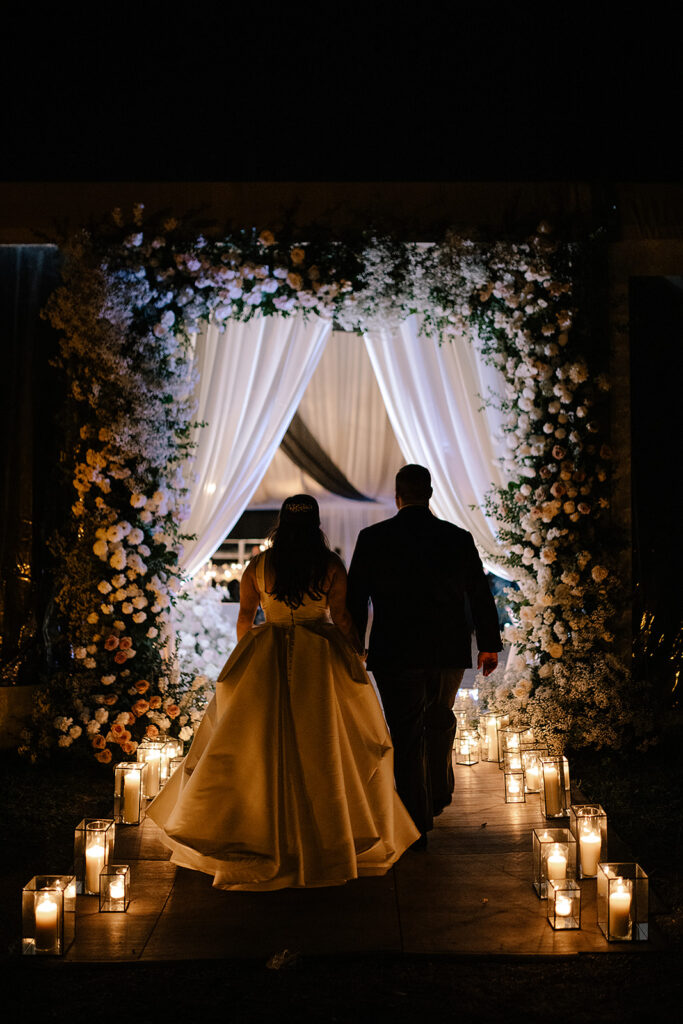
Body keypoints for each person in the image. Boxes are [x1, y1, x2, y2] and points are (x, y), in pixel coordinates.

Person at [148, 494, 420, 890]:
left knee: (260, 744)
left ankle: (255, 834)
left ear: (281, 523)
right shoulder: (329, 565)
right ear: (315, 523)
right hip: (320, 657)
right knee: (323, 741)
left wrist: (248, 658)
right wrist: (355, 653)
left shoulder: (259, 566)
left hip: (267, 652)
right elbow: (342, 617)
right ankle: (330, 835)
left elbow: (245, 617)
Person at [347, 465, 502, 845]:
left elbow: (354, 599)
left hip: (394, 650)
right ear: (430, 494)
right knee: (438, 718)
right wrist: (488, 643)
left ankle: (416, 819)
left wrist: (354, 646)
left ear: (397, 496)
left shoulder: (373, 538)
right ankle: (435, 794)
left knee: (406, 730)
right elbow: (480, 593)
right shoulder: (457, 537)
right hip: (445, 649)